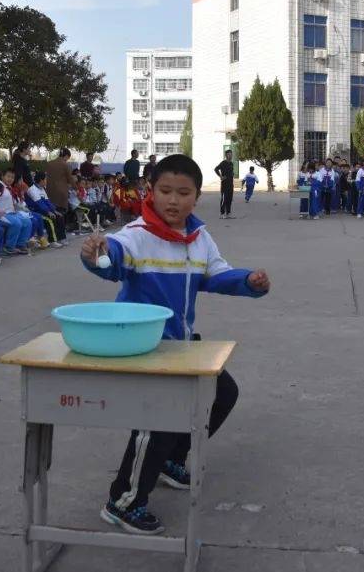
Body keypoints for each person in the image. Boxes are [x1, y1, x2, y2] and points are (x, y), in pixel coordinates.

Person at [81, 154, 270, 535]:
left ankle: (168, 459)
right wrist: (97, 254)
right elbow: (113, 257)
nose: (173, 200)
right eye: (165, 191)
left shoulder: (198, 239)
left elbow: (216, 273)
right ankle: (123, 501)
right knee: (158, 421)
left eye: (183, 193)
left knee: (222, 393)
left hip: (179, 345)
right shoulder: (137, 234)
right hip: (142, 347)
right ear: (150, 191)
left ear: (196, 197)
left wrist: (249, 281)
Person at [44, 148, 75, 224]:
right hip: (61, 192)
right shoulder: (66, 165)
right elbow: (70, 179)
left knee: (52, 209)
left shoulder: (49, 163)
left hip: (49, 190)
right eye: (68, 158)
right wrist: (76, 187)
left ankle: (52, 226)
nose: (67, 160)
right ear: (66, 156)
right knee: (61, 211)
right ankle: (61, 228)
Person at [213, 150, 235, 219]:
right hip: (225, 184)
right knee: (224, 199)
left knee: (229, 199)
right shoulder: (223, 163)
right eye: (229, 154)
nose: (230, 156)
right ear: (226, 155)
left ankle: (228, 213)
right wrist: (220, 176)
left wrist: (232, 175)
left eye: (231, 154)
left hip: (231, 184)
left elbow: (230, 172)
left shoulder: (231, 163)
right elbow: (216, 169)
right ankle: (222, 214)